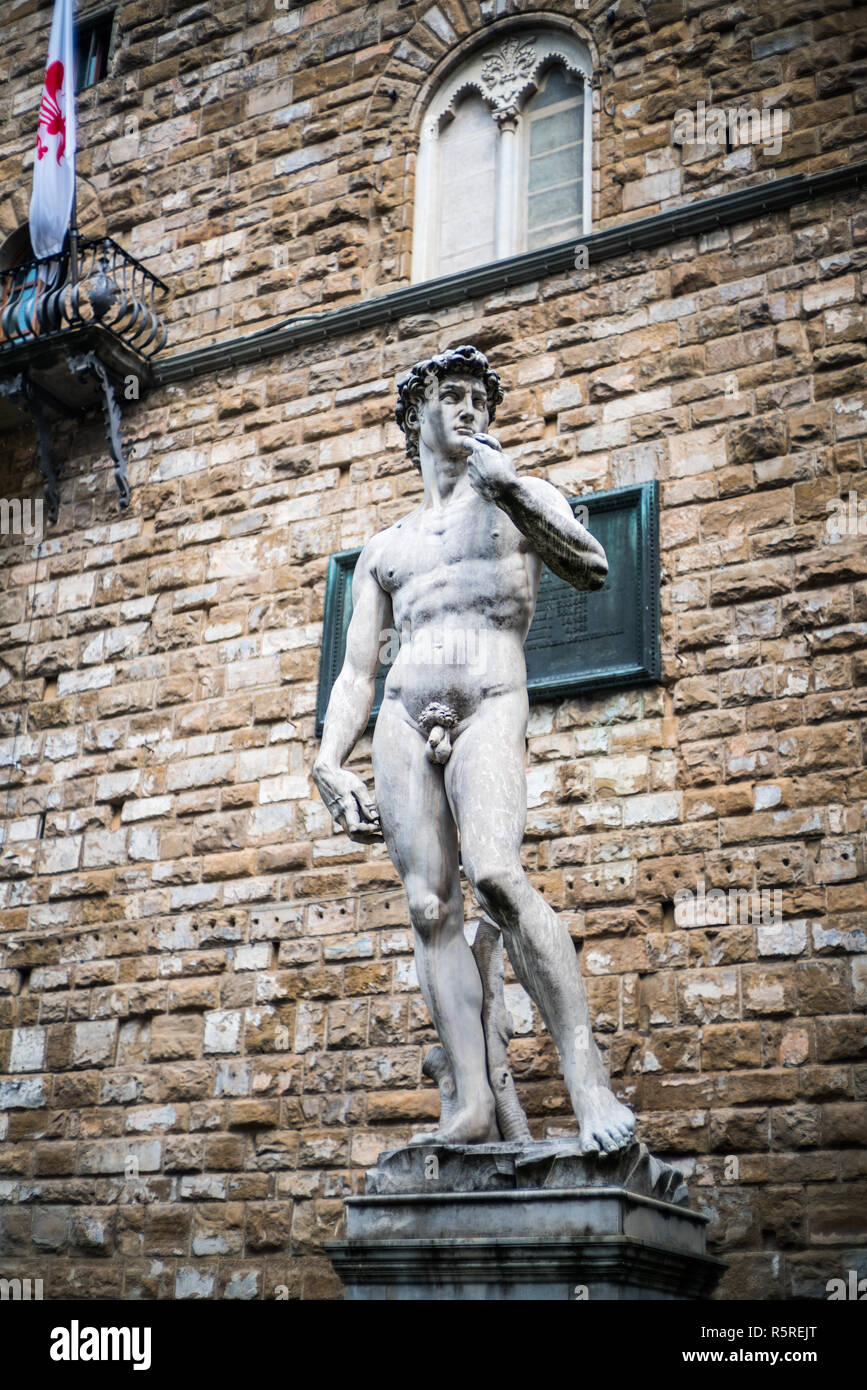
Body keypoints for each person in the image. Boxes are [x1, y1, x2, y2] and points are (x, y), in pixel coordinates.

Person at [313, 345, 635, 1153]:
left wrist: (512, 488)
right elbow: (356, 672)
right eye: (450, 396)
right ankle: (470, 1106)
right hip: (400, 715)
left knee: (494, 873)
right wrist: (325, 759)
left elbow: (592, 566)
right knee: (428, 908)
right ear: (414, 415)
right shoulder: (385, 550)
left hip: (489, 698)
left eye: (478, 401)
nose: (467, 411)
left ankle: (587, 1086)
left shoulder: (513, 499)